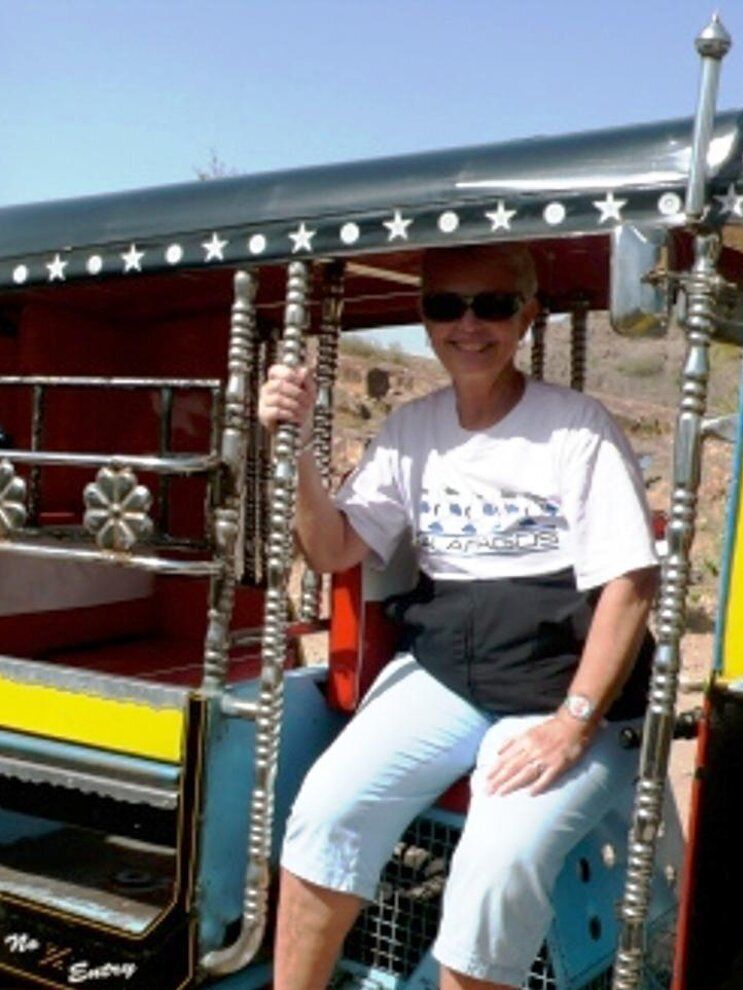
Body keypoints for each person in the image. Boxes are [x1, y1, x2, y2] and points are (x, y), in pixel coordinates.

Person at [258, 243, 659, 990]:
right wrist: (298, 448)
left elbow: (630, 586)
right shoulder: (413, 430)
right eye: (446, 306)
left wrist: (573, 721)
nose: (468, 324)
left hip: (554, 685)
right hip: (447, 671)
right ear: (424, 318)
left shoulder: (577, 428)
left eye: (493, 305)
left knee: (496, 861)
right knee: (327, 809)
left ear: (527, 316)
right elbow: (332, 547)